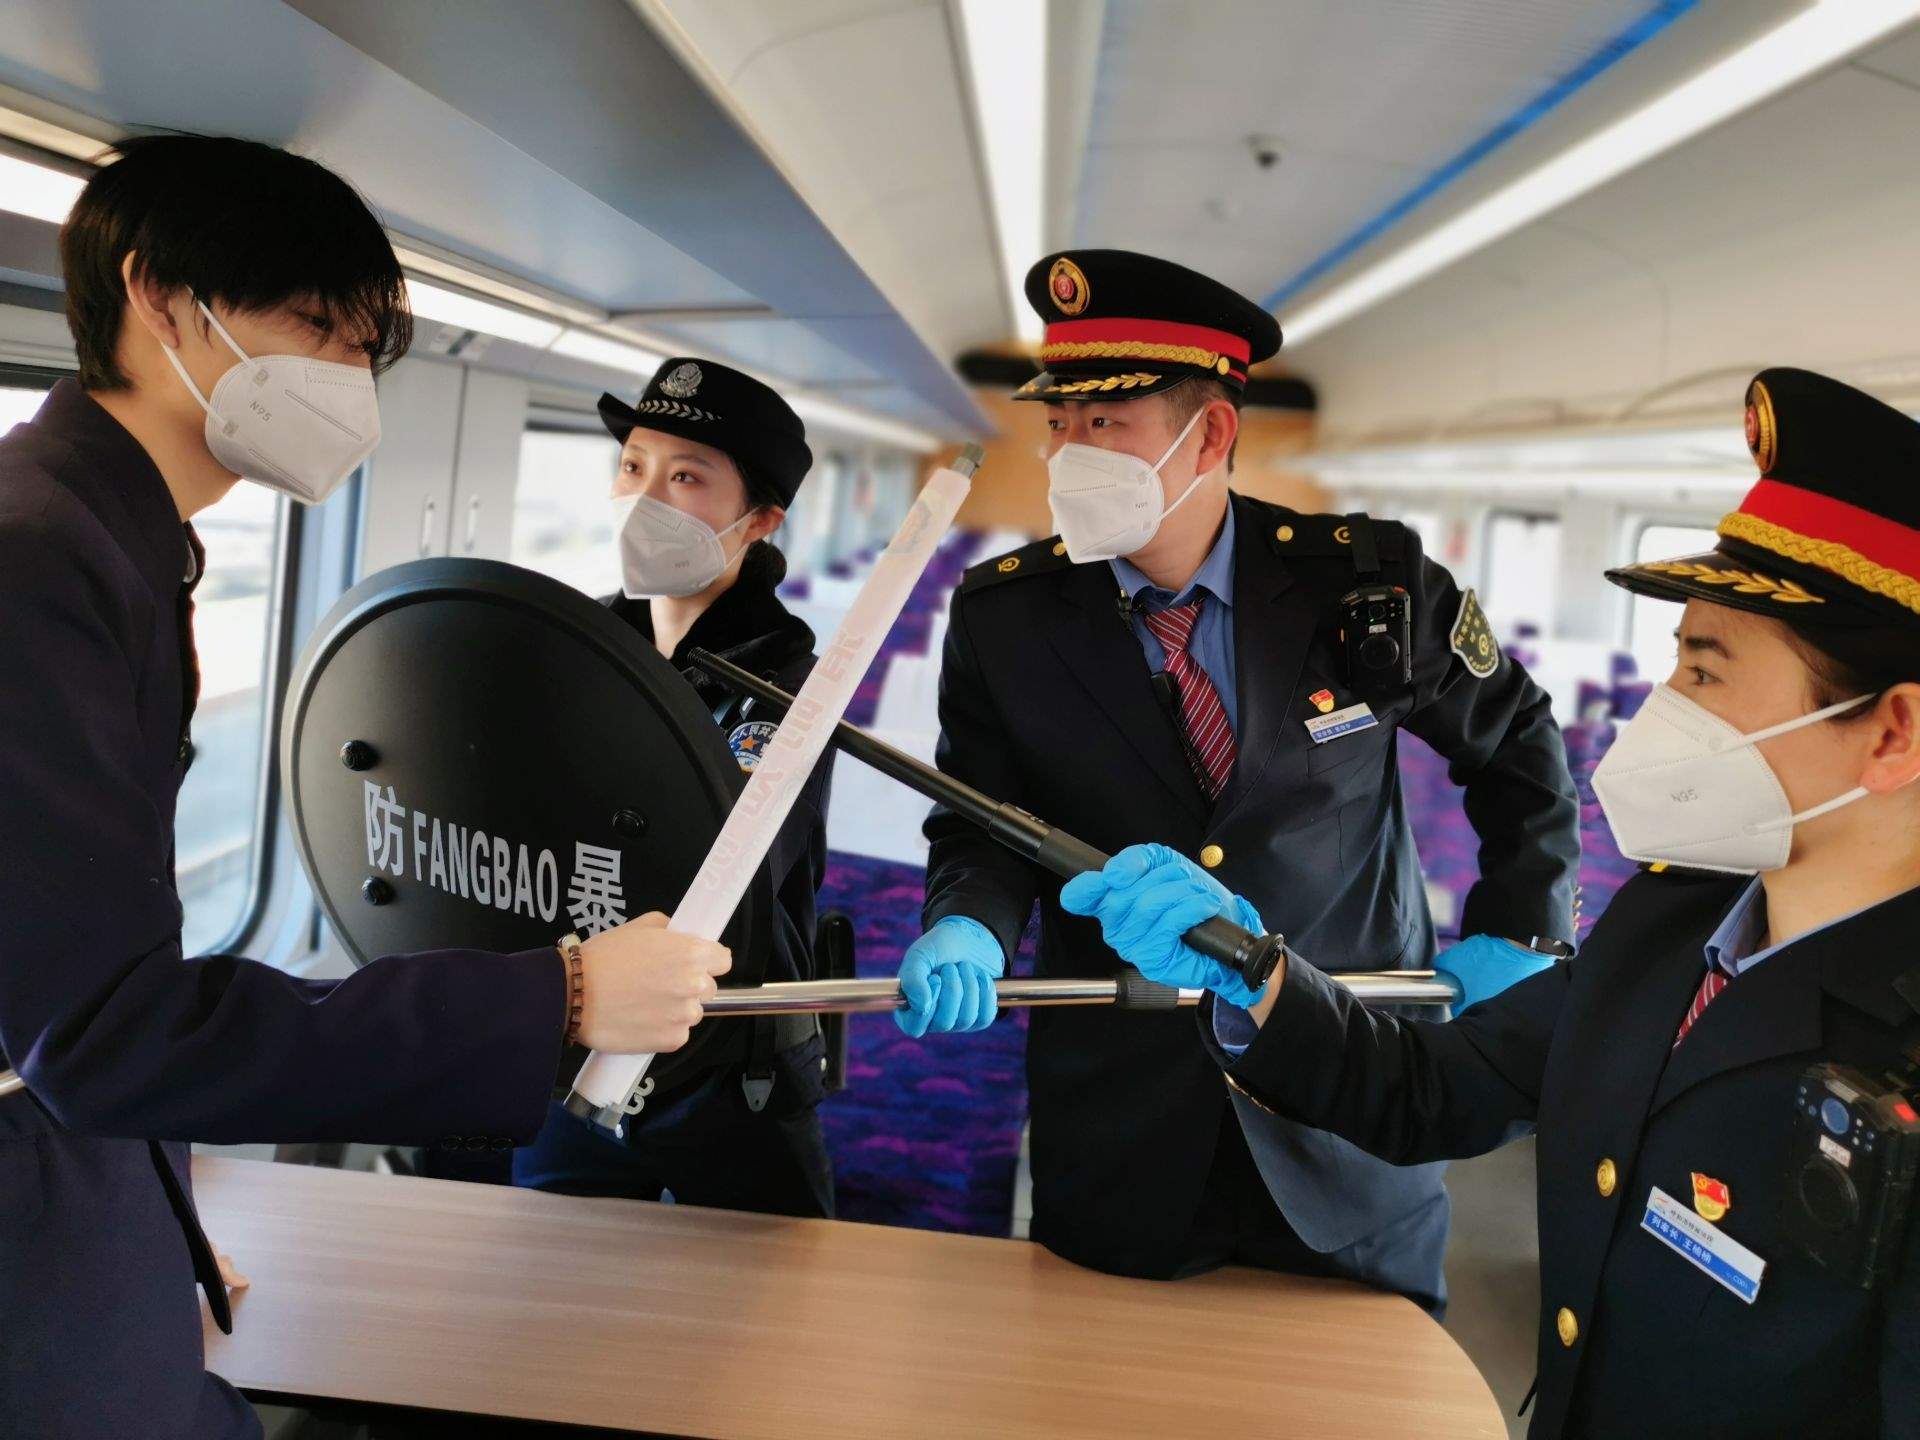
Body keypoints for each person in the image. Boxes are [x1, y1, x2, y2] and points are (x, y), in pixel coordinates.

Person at [0, 135, 729, 1440]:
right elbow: (104, 1031)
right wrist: (559, 994)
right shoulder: (38, 559)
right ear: (159, 295)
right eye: (317, 330)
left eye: (363, 349)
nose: (348, 382)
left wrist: (162, 1240)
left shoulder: (113, 538)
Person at [1066, 368, 1920, 1436]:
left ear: (1892, 734)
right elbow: (1429, 1089)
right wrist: (1252, 969)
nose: (1660, 710)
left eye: (1704, 675)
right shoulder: (1668, 930)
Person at [905, 248, 1581, 1310]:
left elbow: (1517, 742)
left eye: (1106, 422)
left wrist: (1523, 926)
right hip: (1124, 1109)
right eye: (1060, 425)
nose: (1070, 455)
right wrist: (970, 924)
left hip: (1352, 1088)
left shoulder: (1366, 581)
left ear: (1212, 433)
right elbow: (984, 824)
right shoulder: (1006, 617)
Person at [511, 357, 834, 1217]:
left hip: (732, 1057)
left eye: (685, 477)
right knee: (540, 1271)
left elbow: (726, 870)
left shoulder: (790, 681)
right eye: (633, 466)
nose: (643, 498)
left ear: (759, 520)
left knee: (774, 1286)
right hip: (580, 1027)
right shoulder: (576, 645)